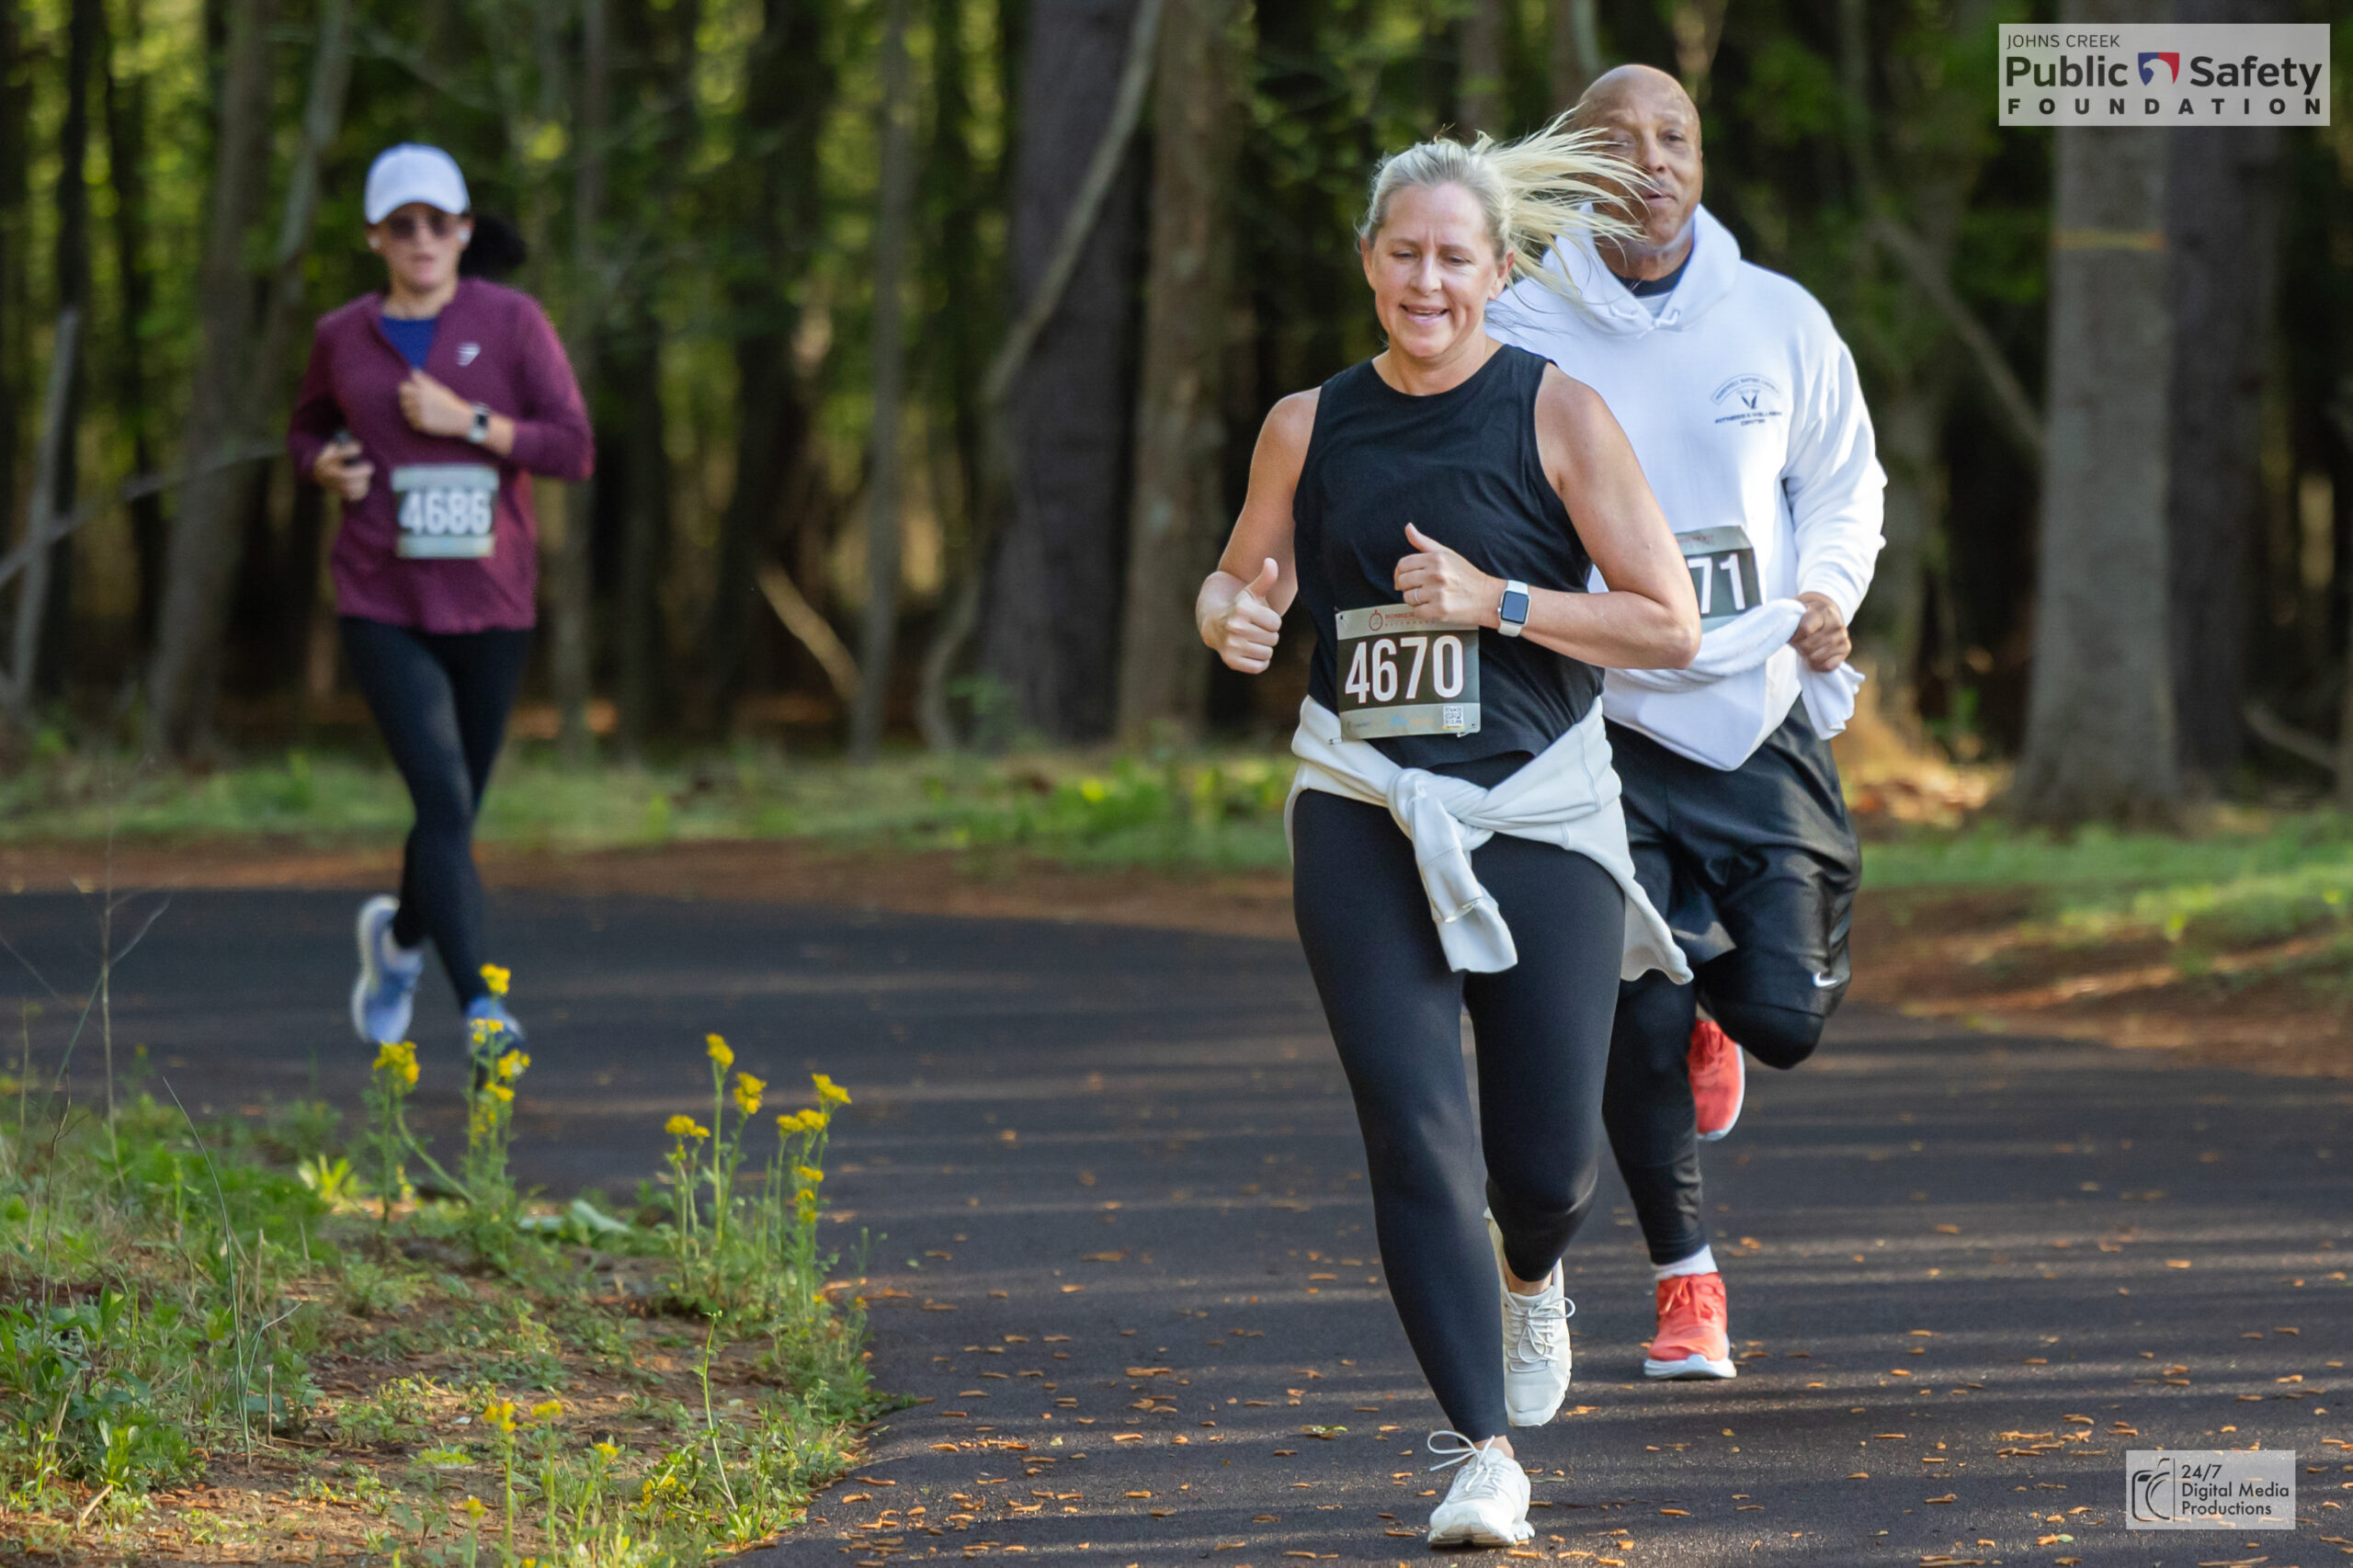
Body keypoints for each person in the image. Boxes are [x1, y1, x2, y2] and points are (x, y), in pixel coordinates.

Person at [1197, 123, 1699, 1547]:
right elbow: (1244, 578)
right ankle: (1482, 1448)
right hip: (1361, 799)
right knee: (1411, 1124)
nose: (1428, 279)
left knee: (1543, 1168)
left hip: (1539, 803)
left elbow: (1668, 622)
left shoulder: (1559, 414)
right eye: (1403, 253)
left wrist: (1503, 603)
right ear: (1369, 263)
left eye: (1454, 257)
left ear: (1498, 271)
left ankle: (1532, 1272)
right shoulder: (1306, 422)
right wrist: (1227, 613)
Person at [1488, 65, 1884, 1381]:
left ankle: (1728, 1007)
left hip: (1755, 712)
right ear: (1575, 169)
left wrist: (1826, 595)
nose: (1653, 161)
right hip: (1594, 720)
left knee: (1785, 1014)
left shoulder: (1778, 320)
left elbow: (1843, 480)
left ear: (1702, 162)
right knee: (1629, 1004)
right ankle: (1686, 1284)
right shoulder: (1519, 321)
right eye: (1621, 141)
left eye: (1679, 138)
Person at [288, 143, 594, 1057]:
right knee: (444, 799)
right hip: (382, 593)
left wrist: (467, 421)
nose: (421, 238)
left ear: (464, 231)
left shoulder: (513, 322)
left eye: (438, 222)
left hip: (493, 598)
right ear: (375, 237)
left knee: (450, 812)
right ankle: (481, 1010)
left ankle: (398, 943)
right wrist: (321, 464)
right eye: (401, 224)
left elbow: (573, 448)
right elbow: (305, 426)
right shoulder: (344, 334)